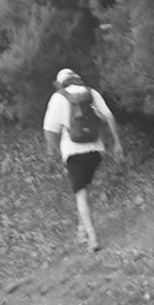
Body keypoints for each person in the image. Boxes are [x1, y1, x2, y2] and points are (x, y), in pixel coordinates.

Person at [41, 69, 123, 251]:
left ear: (61, 82)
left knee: (81, 194)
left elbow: (49, 130)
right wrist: (117, 142)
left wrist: (52, 152)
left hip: (72, 152)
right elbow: (109, 116)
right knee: (85, 190)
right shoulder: (91, 93)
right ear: (77, 79)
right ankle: (81, 230)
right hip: (95, 151)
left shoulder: (58, 98)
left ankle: (92, 237)